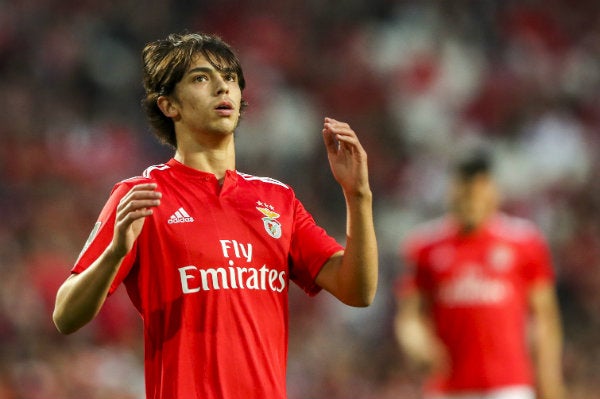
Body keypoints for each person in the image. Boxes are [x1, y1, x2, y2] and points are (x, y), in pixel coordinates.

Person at [52, 32, 378, 399]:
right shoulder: (142, 195)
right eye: (201, 78)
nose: (223, 87)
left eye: (230, 78)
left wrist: (358, 196)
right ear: (169, 106)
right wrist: (114, 254)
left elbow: (358, 290)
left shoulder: (277, 199)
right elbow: (65, 315)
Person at [394, 148, 566, 399]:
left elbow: (545, 318)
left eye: (477, 191)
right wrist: (416, 342)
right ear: (452, 192)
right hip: (448, 387)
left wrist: (549, 378)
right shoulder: (425, 247)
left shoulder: (525, 242)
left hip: (509, 386)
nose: (470, 199)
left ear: (493, 192)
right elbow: (409, 316)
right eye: (464, 192)